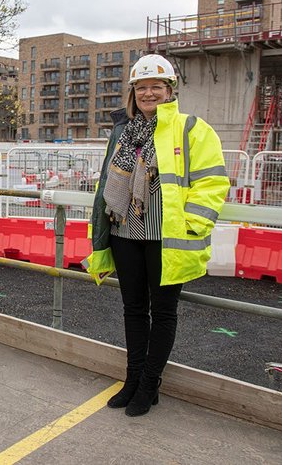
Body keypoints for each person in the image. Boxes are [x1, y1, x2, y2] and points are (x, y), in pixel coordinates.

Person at [85, 54, 229, 416]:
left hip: (167, 238)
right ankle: (132, 380)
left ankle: (150, 386)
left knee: (163, 312)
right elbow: (106, 180)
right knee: (133, 309)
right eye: (142, 87)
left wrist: (193, 225)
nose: (149, 93)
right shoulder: (123, 132)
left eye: (156, 87)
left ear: (169, 90)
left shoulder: (191, 129)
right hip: (126, 232)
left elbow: (212, 182)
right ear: (133, 92)